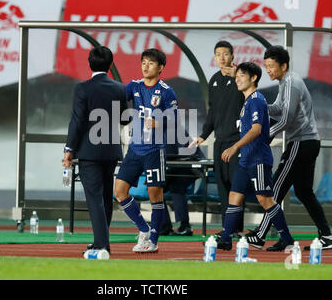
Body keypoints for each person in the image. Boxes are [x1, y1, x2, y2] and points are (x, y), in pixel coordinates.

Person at [245, 46, 332, 251]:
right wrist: (257, 104)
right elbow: (277, 108)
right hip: (308, 142)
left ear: (283, 65)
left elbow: (285, 119)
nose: (268, 70)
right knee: (304, 192)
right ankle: (327, 236)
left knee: (275, 188)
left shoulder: (291, 84)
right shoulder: (287, 82)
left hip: (301, 143)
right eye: (266, 66)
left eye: (271, 66)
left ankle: (260, 235)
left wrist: (264, 136)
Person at [216, 62, 295, 251]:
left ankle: (287, 239)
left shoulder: (256, 100)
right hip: (246, 159)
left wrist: (235, 146)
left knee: (265, 199)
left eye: (242, 75)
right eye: (236, 76)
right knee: (234, 196)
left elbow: (257, 129)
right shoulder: (247, 101)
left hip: (258, 159)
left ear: (254, 78)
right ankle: (226, 238)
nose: (237, 79)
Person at [62, 46, 127, 254]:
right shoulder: (119, 88)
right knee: (106, 197)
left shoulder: (83, 88)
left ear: (89, 64)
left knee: (94, 197)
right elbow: (125, 118)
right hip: (110, 150)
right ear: (110, 65)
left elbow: (77, 121)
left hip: (89, 152)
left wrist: (69, 148)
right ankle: (101, 240)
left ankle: (101, 244)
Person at [114, 48, 178, 253]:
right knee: (119, 191)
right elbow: (116, 97)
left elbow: (174, 117)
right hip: (134, 150)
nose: (145, 66)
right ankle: (143, 229)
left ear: (160, 67)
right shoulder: (133, 86)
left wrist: (159, 121)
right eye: (143, 62)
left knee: (155, 194)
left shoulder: (167, 91)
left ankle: (154, 240)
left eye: (150, 63)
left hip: (154, 151)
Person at [189, 41, 245, 237]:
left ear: (232, 56)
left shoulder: (241, 78)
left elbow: (252, 95)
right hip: (220, 142)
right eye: (218, 54)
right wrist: (203, 135)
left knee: (236, 186)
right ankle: (227, 229)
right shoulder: (213, 80)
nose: (221, 58)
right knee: (223, 186)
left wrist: (238, 75)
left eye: (225, 54)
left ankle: (236, 228)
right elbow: (213, 113)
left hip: (237, 142)